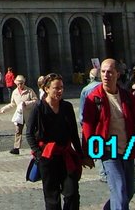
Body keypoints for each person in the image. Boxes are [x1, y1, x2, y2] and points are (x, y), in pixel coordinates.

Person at [81, 58, 135, 210]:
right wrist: (87, 153)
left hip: (127, 150)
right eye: (103, 72)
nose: (106, 75)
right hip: (108, 151)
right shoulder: (94, 98)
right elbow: (87, 127)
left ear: (118, 74)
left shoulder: (126, 97)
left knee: (129, 192)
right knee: (119, 191)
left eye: (110, 72)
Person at [27, 73, 91, 210]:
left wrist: (81, 155)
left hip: (66, 155)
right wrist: (39, 154)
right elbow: (29, 133)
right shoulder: (38, 108)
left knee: (72, 193)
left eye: (61, 87)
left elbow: (74, 134)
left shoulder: (67, 107)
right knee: (52, 198)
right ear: (47, 89)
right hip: (47, 157)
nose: (60, 91)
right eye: (56, 88)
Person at [0, 74, 38, 155]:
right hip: (19, 115)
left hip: (28, 115)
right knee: (17, 131)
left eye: (21, 83)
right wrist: (4, 109)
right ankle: (16, 148)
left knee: (31, 131)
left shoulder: (29, 91)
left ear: (24, 83)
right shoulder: (15, 92)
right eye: (18, 84)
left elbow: (35, 101)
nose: (20, 85)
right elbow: (12, 104)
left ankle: (36, 147)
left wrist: (27, 103)